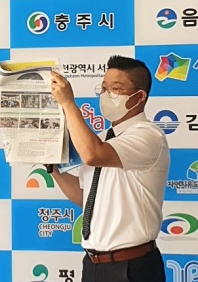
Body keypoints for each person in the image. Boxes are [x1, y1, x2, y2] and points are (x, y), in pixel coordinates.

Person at [49, 55, 170, 282]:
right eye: (103, 88)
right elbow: (85, 197)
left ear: (139, 97)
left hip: (133, 266)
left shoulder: (148, 135)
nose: (106, 95)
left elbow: (92, 155)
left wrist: (67, 104)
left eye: (115, 89)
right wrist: (53, 168)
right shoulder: (103, 138)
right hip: (93, 265)